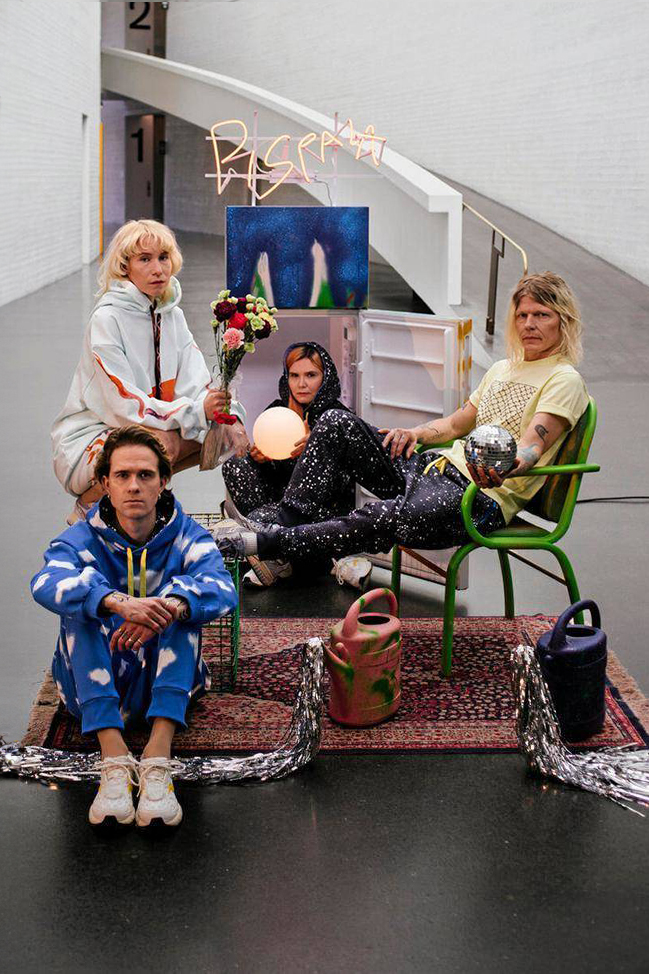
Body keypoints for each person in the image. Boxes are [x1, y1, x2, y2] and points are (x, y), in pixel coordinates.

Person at [214, 272, 589, 569]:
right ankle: (284, 518)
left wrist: (510, 466)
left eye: (541, 315)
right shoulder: (504, 369)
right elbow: (458, 424)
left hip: (477, 497)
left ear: (563, 320)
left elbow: (533, 445)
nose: (529, 324)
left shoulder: (563, 379)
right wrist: (415, 433)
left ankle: (268, 542)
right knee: (334, 421)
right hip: (432, 469)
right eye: (523, 315)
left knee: (380, 514)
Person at [32, 425, 238, 827]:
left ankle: (158, 756)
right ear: (105, 483)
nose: (133, 486)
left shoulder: (187, 535)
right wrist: (116, 602)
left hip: (167, 683)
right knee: (81, 606)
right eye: (122, 476)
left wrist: (168, 607)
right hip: (96, 684)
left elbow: (222, 587)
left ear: (164, 481)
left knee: (183, 603)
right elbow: (45, 582)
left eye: (145, 475)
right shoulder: (82, 537)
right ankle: (113, 758)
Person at [51, 219, 245, 523]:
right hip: (87, 441)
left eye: (163, 258)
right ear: (124, 267)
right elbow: (124, 405)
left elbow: (197, 382)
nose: (158, 269)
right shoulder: (107, 319)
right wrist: (194, 412)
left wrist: (229, 417)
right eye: (145, 259)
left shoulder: (172, 315)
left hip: (147, 426)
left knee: (218, 434)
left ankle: (146, 493)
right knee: (161, 443)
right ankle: (90, 503)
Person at [222, 342, 369, 588]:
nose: (302, 384)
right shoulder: (278, 410)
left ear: (325, 377)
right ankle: (279, 554)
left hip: (320, 513)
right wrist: (263, 460)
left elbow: (343, 483)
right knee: (235, 465)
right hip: (281, 506)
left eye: (311, 375)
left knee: (258, 520)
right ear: (286, 377)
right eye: (295, 375)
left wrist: (314, 453)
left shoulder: (337, 418)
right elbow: (273, 474)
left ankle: (276, 552)